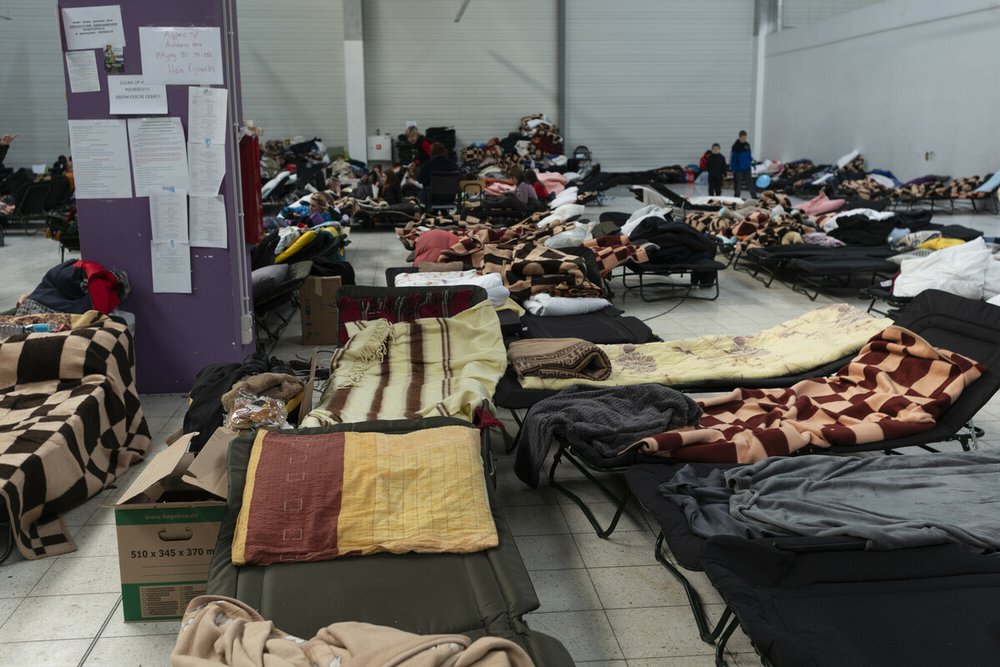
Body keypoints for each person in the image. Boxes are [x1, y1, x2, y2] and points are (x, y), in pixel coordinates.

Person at [730, 130, 755, 198]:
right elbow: (733, 158)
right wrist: (732, 168)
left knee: (749, 182)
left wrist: (753, 163)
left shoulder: (747, 145)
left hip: (747, 167)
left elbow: (749, 155)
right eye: (743, 138)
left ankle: (753, 195)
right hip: (738, 168)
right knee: (738, 183)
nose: (744, 139)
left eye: (745, 138)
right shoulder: (735, 146)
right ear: (740, 137)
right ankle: (737, 196)